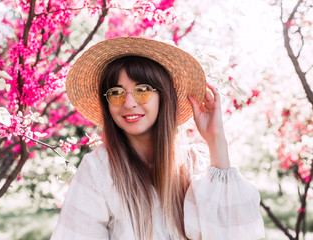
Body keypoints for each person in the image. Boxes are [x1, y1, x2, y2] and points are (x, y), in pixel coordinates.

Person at [51, 37, 265, 240]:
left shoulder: (194, 165)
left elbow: (234, 233)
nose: (129, 103)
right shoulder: (99, 170)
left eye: (142, 90)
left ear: (163, 96)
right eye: (116, 93)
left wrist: (216, 139)